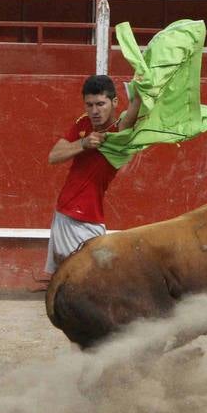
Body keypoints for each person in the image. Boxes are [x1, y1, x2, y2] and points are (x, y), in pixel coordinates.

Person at [43, 74, 140, 276]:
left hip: (87, 219)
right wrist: (83, 143)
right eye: (89, 105)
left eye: (100, 104)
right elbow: (53, 156)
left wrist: (141, 88)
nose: (94, 111)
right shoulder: (84, 123)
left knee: (86, 280)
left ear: (114, 102)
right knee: (71, 280)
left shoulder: (120, 129)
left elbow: (134, 109)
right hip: (67, 214)